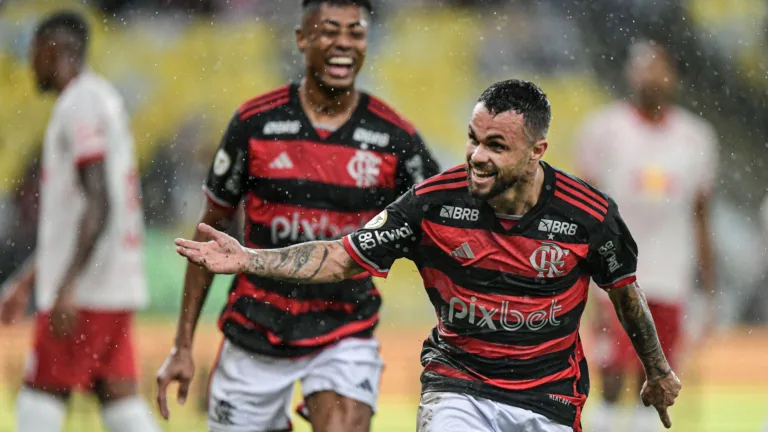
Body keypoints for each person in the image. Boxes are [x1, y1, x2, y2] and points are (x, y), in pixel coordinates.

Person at [174, 78, 682, 432]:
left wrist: (657, 371)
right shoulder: (432, 203)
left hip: (547, 396)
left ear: (537, 152)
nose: (477, 156)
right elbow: (341, 256)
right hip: (458, 386)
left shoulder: (589, 215)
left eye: (496, 146)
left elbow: (625, 293)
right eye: (473, 140)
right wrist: (249, 259)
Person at [155, 1, 440, 431]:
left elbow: (440, 226)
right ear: (303, 39)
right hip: (255, 326)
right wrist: (182, 345)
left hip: (345, 327)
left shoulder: (394, 136)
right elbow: (211, 231)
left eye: (356, 32)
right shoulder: (255, 123)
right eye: (330, 30)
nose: (343, 43)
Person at [0, 11, 160, 432]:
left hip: (86, 290)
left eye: (34, 53)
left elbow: (99, 202)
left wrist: (67, 284)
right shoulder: (102, 98)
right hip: (111, 282)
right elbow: (79, 214)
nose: (30, 65)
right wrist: (27, 281)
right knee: (117, 396)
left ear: (53, 50)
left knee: (40, 393)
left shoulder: (81, 104)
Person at [573, 40, 718, 432]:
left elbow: (701, 214)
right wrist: (579, 269)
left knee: (656, 373)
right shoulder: (604, 130)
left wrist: (709, 285)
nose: (651, 76)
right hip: (614, 270)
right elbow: (584, 206)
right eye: (643, 67)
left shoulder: (696, 137)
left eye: (659, 67)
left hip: (670, 272)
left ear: (673, 76)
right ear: (629, 74)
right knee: (611, 370)